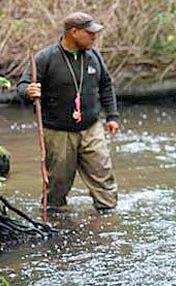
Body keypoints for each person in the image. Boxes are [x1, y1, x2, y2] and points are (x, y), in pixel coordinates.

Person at [17, 12, 120, 213]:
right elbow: (22, 85)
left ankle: (108, 216)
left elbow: (106, 85)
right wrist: (29, 91)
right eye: (90, 33)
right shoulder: (46, 58)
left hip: (91, 127)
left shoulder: (94, 56)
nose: (94, 37)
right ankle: (56, 218)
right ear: (74, 32)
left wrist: (112, 116)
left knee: (103, 173)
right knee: (58, 182)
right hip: (57, 130)